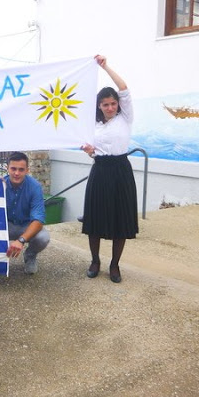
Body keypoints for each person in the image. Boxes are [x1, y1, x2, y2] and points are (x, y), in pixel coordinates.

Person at [81, 55, 138, 283]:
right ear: (99, 106)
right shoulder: (93, 124)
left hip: (121, 170)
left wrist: (105, 67)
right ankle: (95, 261)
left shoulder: (126, 117)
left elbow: (123, 88)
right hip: (100, 170)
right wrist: (90, 151)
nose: (110, 107)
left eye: (113, 103)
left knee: (120, 219)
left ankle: (115, 265)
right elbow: (93, 150)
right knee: (94, 218)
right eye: (105, 104)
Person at [4, 151, 50, 275]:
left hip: (26, 225)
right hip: (5, 225)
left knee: (43, 238)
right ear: (7, 168)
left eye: (21, 169)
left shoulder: (35, 187)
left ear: (27, 170)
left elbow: (38, 220)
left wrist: (21, 240)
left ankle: (30, 255)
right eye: (13, 169)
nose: (16, 173)